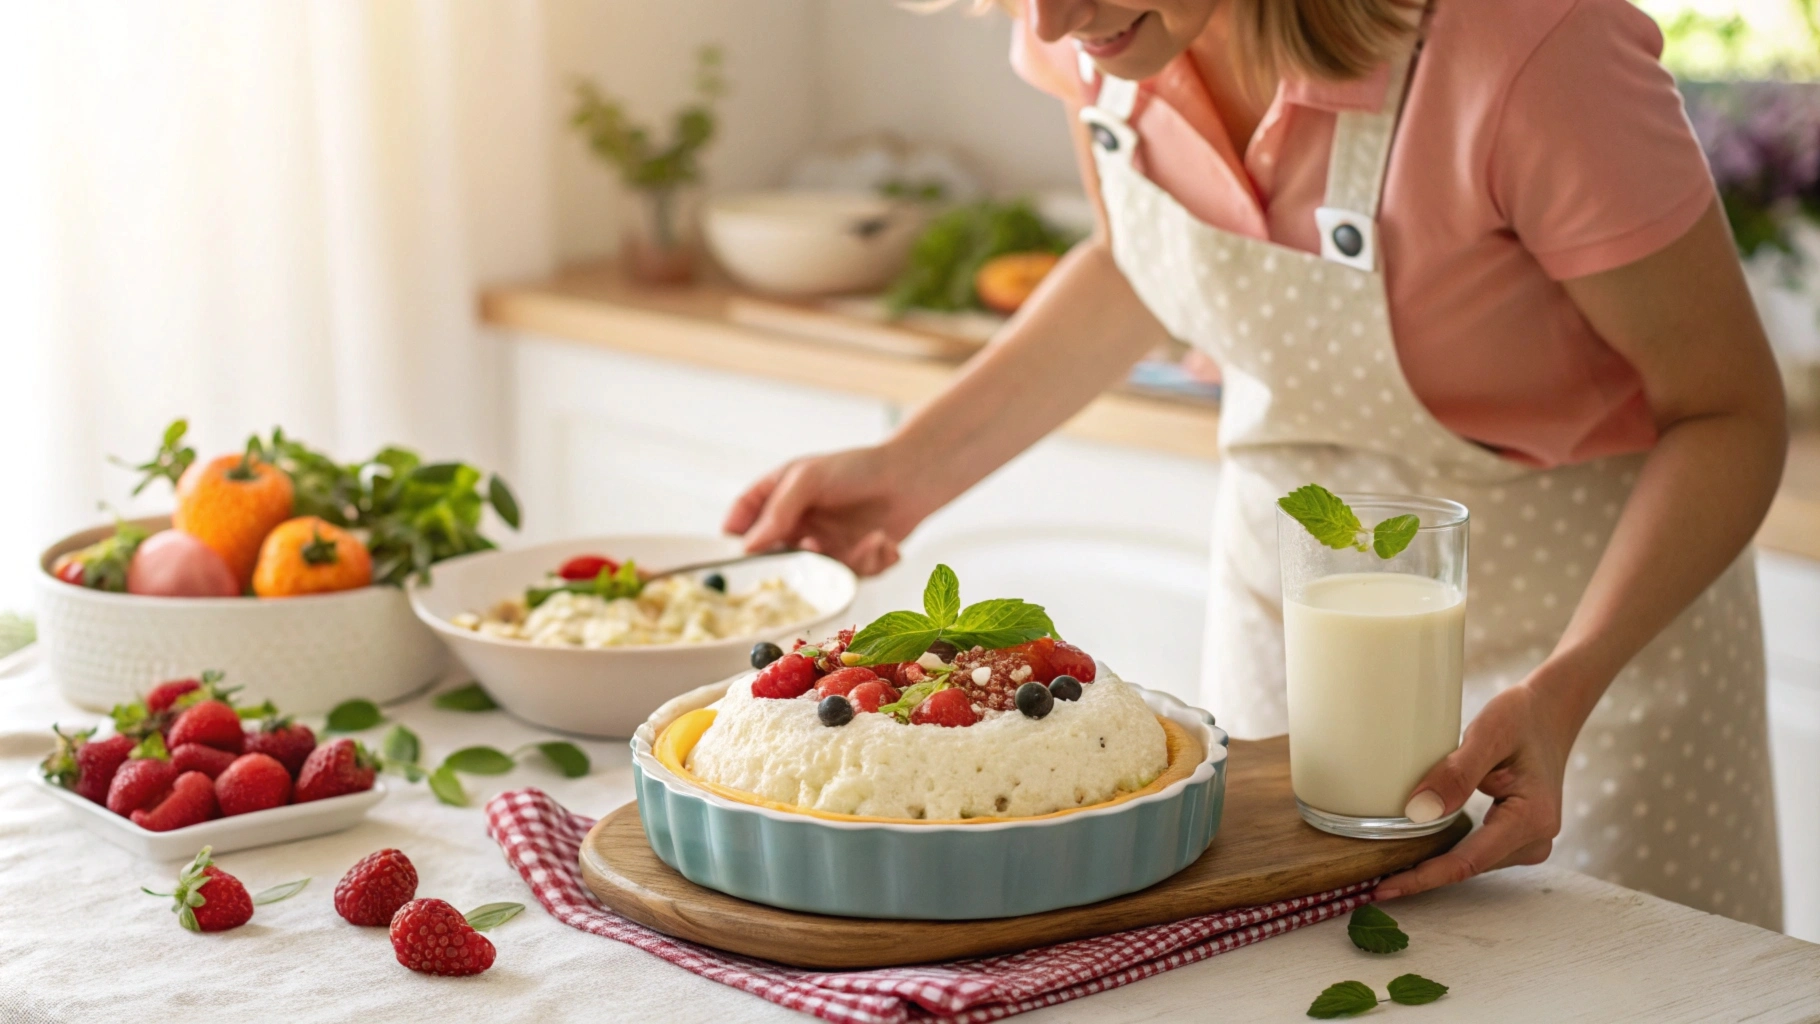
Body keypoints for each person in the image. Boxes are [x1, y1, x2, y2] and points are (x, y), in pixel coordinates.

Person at [723, 0, 1786, 928]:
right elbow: (1136, 264)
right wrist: (906, 470)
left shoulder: (1530, 47)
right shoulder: (1097, 29)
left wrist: (1564, 687)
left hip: (1587, 658)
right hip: (1291, 620)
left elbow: (1729, 412)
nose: (1045, 24)